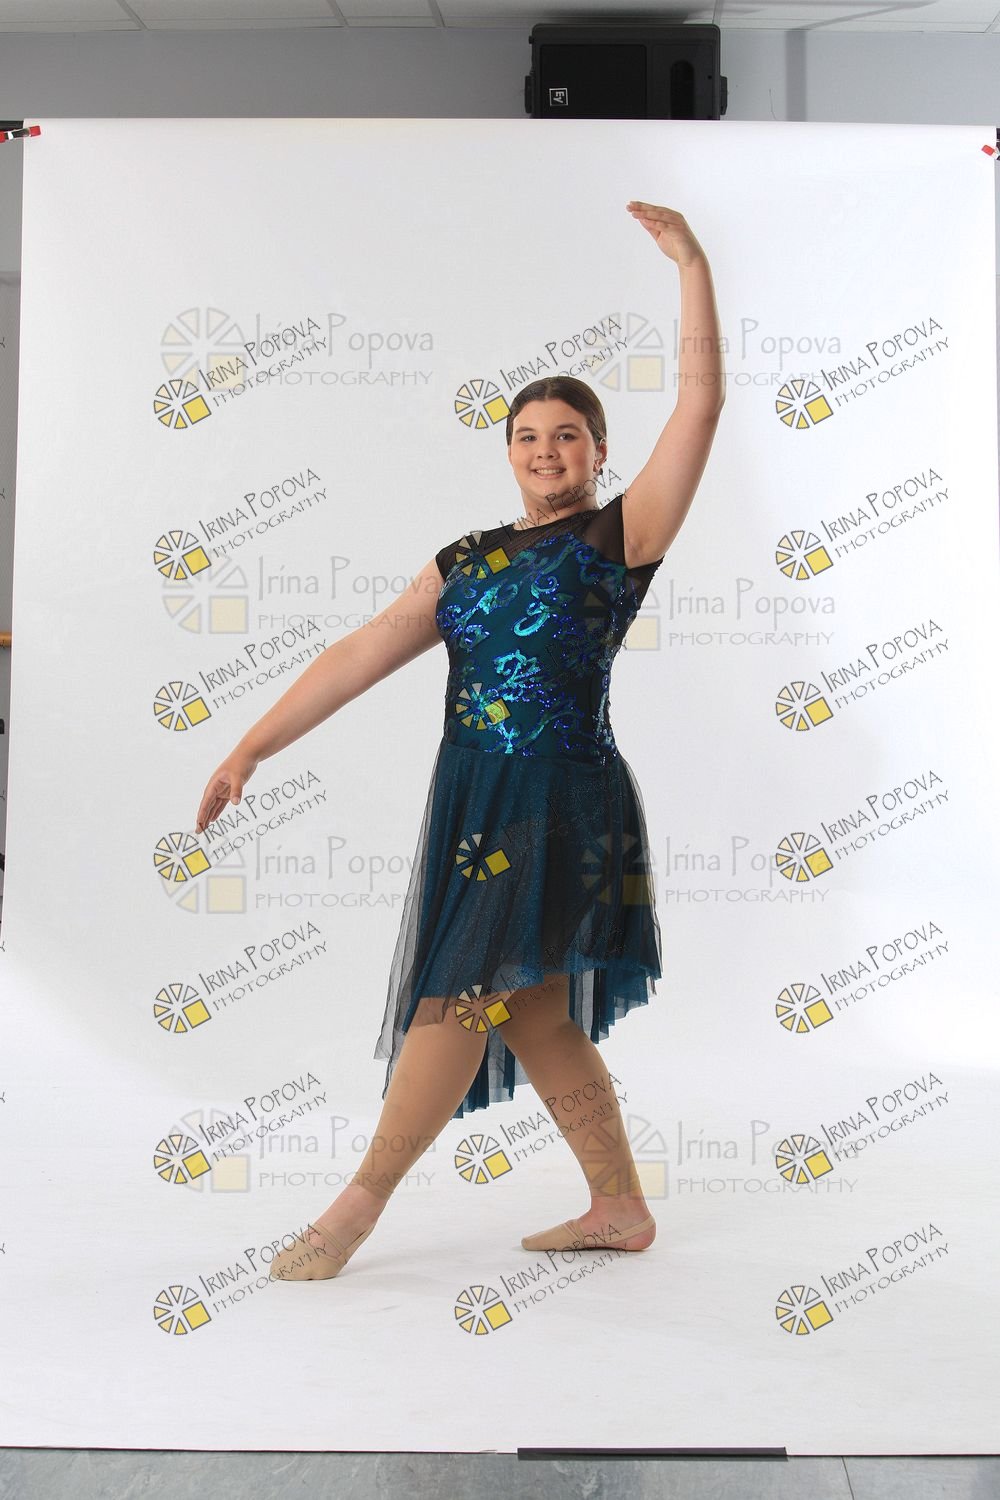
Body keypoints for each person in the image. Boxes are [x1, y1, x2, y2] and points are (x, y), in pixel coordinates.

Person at [195, 201, 725, 1283]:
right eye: (527, 436)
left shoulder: (617, 537)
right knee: (533, 1013)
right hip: (475, 795)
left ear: (599, 451)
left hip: (561, 794)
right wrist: (252, 747)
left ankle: (353, 1210)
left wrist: (690, 265)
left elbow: (702, 405)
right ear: (508, 453)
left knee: (461, 994)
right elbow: (359, 651)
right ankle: (619, 1207)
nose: (546, 450)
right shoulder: (466, 559)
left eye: (566, 434)